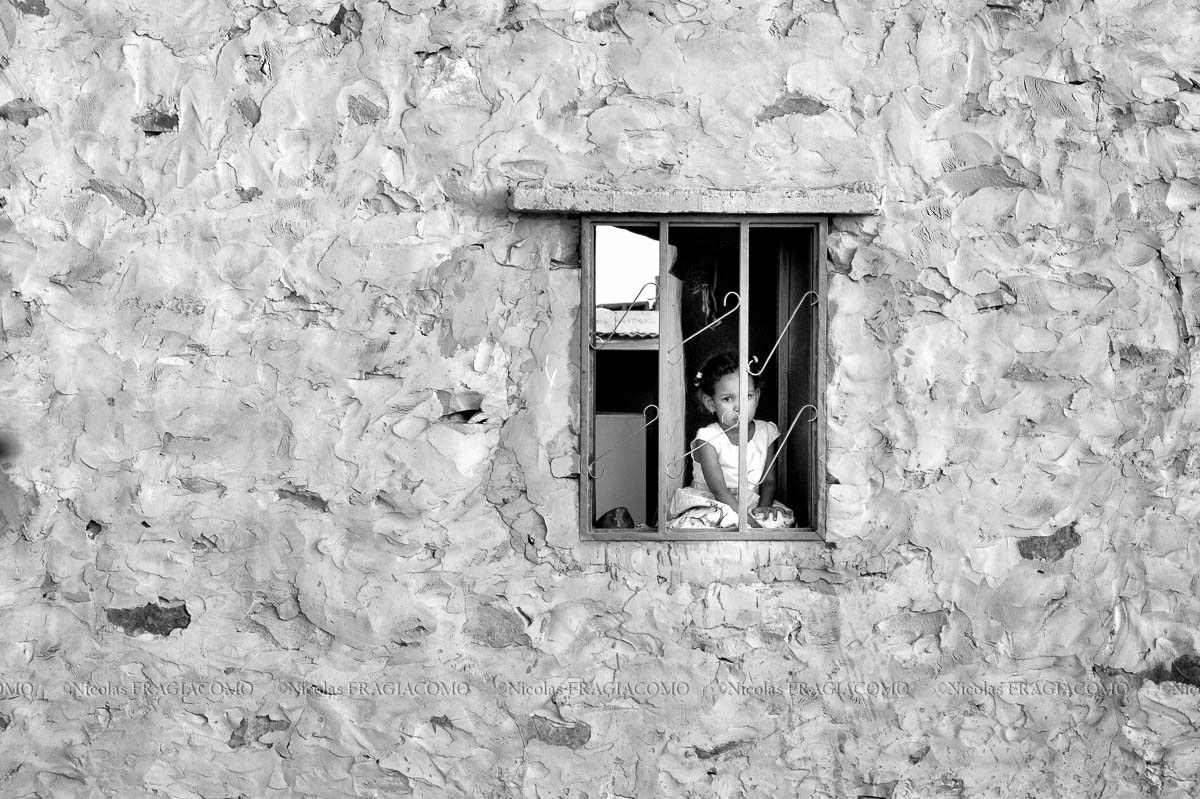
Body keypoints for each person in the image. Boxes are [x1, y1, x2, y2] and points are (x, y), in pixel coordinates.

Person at [668, 351, 793, 529]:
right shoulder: (707, 438)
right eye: (728, 399)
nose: (739, 407)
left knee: (782, 520)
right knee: (709, 522)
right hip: (714, 503)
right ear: (711, 403)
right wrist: (747, 522)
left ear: (757, 396)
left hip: (751, 503)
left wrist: (763, 509)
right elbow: (719, 490)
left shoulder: (766, 432)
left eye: (748, 396)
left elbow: (769, 482)